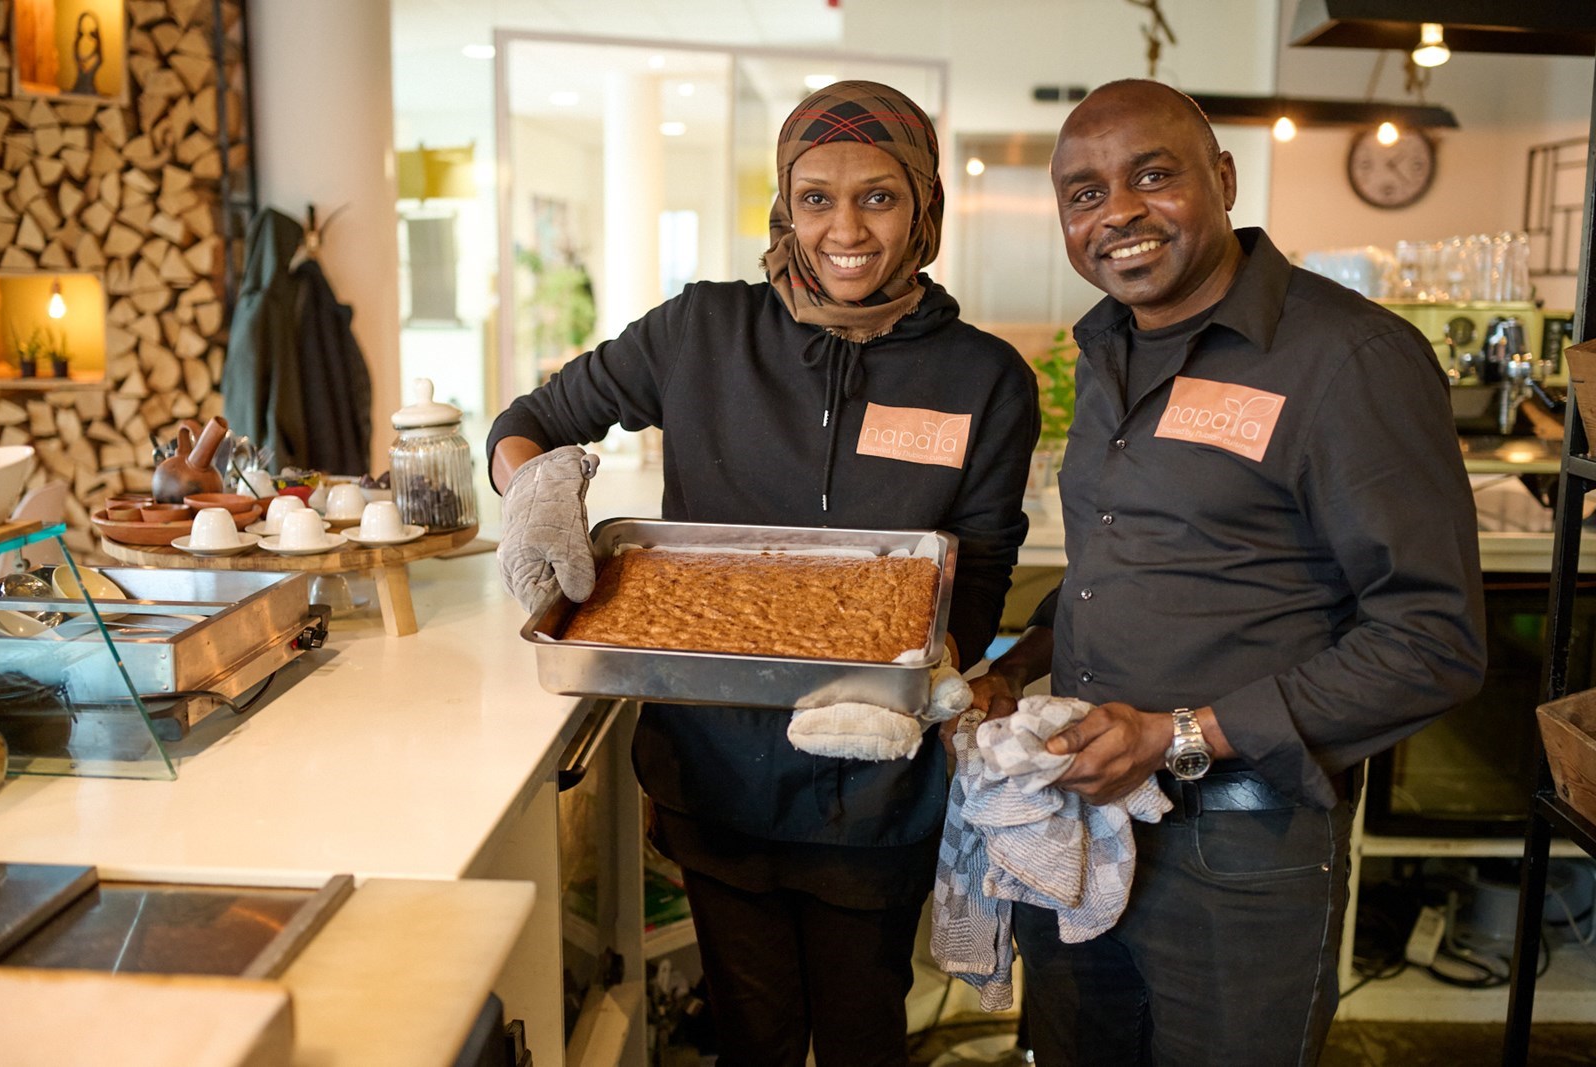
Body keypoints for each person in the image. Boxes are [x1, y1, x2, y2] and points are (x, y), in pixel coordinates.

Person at [488, 80, 1040, 1066]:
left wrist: (932, 669)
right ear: (784, 204)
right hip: (715, 770)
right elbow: (530, 420)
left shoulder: (981, 377)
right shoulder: (701, 332)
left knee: (867, 1024)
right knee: (752, 1030)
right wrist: (531, 490)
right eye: (816, 195)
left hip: (878, 778)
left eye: (878, 195)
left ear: (924, 204)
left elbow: (981, 556)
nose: (846, 226)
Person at [967, 79, 1486, 1065]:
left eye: (1151, 175)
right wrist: (1019, 658)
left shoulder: (1349, 358)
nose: (1115, 210)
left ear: (1223, 178)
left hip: (1238, 847)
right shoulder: (1110, 343)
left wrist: (1179, 735)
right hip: (1077, 821)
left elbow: (1434, 641)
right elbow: (1128, 569)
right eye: (1083, 192)